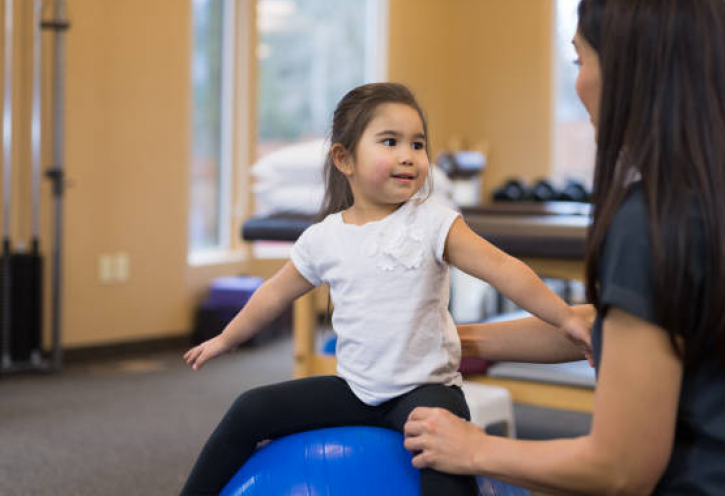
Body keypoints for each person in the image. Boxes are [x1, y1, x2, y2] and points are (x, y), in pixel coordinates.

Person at [403, 0, 725, 494]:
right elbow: (621, 326)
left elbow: (621, 468)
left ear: (632, 72)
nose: (579, 81)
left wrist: (474, 447)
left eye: (580, 59)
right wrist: (451, 338)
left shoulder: (650, 219)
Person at [179, 82, 593, 495]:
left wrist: (565, 316)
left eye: (417, 144)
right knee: (249, 409)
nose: (407, 156)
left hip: (425, 390)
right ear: (345, 159)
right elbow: (274, 293)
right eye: (390, 142)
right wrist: (226, 339)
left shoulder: (434, 222)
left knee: (443, 461)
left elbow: (502, 269)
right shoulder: (324, 238)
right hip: (354, 391)